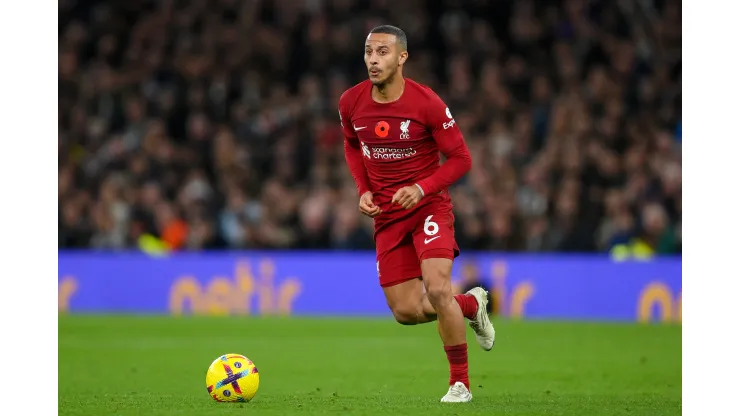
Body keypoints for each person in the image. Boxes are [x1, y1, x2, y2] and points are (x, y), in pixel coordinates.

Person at [338, 25, 495, 403]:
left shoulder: (426, 103)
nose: (373, 60)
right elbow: (351, 145)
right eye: (368, 51)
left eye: (382, 52)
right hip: (388, 216)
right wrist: (364, 190)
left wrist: (423, 188)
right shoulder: (350, 102)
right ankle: (471, 304)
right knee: (406, 311)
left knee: (438, 288)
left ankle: (460, 384)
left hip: (429, 206)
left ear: (401, 57)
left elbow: (461, 159)